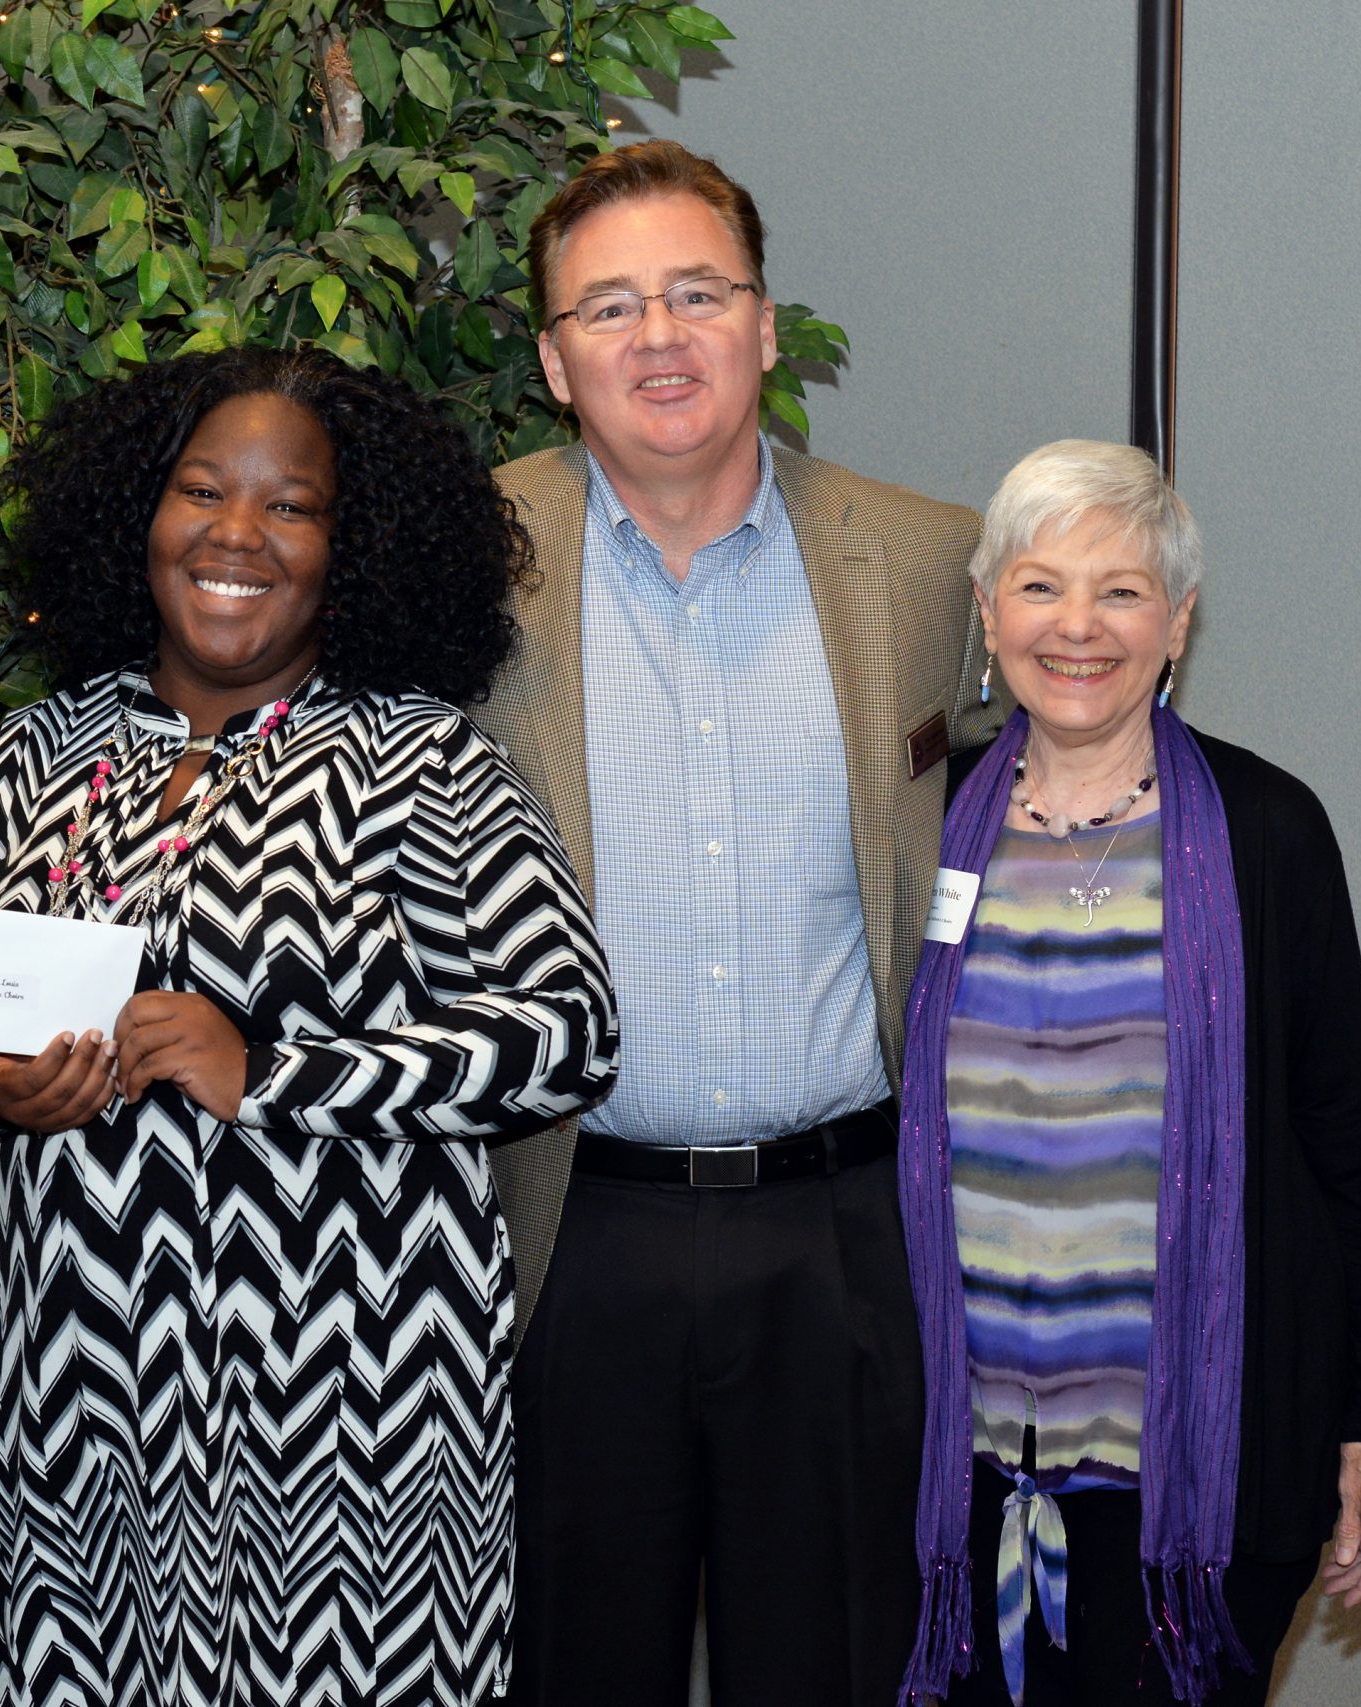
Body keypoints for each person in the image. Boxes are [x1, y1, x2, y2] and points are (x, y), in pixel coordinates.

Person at [0, 346, 618, 1706]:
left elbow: (564, 1030)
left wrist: (273, 1071)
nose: (236, 534)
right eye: (200, 491)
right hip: (75, 1405)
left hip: (354, 1415)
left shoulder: (420, 763)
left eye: (291, 506)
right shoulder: (28, 761)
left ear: (352, 550)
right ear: (139, 515)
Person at [469, 140, 999, 1706]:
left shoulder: (931, 561)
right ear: (556, 360)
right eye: (610, 306)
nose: (658, 335)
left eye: (698, 293)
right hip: (565, 1229)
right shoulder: (462, 561)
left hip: (843, 1237)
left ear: (766, 325)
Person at [894, 440, 1361, 1706]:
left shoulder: (1267, 831)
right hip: (949, 1459)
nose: (1077, 626)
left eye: (1121, 592)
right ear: (986, 612)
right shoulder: (915, 823)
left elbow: (1346, 1143)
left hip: (1203, 1467)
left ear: (1177, 622)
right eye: (1039, 586)